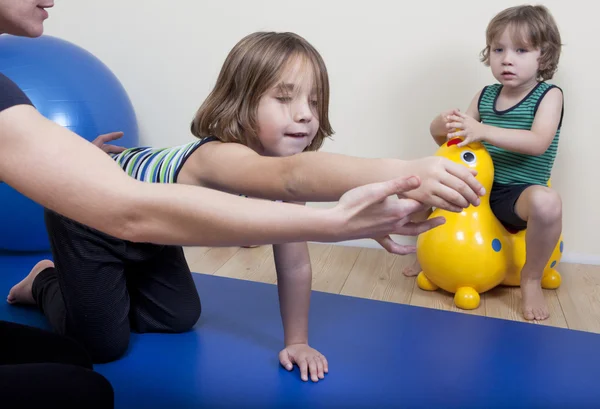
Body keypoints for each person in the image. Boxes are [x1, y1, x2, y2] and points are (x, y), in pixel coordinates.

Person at [0, 1, 484, 405]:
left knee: (178, 317)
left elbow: (294, 263)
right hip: (93, 223)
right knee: (103, 345)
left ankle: (98, 288)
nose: (304, 116)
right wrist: (404, 172)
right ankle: (45, 281)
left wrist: (297, 341)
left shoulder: (267, 172)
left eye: (314, 102)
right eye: (285, 98)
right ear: (241, 101)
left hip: (155, 231)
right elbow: (294, 178)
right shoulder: (222, 155)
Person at [408, 5, 564, 322]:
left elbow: (538, 143)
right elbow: (452, 142)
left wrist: (484, 130)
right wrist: (440, 125)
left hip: (517, 194)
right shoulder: (484, 95)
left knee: (548, 204)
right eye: (498, 49)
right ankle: (424, 255)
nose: (507, 58)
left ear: (543, 57)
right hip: (477, 186)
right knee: (421, 182)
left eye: (521, 50)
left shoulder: (548, 95)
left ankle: (531, 278)